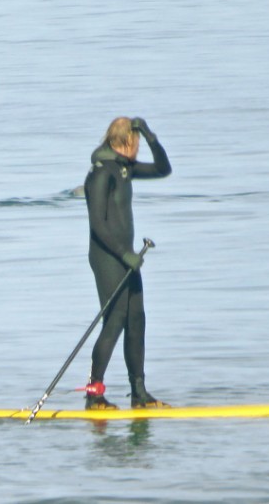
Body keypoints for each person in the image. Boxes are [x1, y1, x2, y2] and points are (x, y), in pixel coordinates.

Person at [83, 116, 171, 409]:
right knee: (115, 320)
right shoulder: (100, 174)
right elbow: (98, 224)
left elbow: (163, 169)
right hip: (107, 256)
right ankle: (94, 396)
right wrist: (124, 254)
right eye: (136, 142)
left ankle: (139, 394)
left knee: (137, 320)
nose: (138, 150)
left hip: (127, 257)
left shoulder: (124, 169)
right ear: (123, 142)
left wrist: (151, 137)